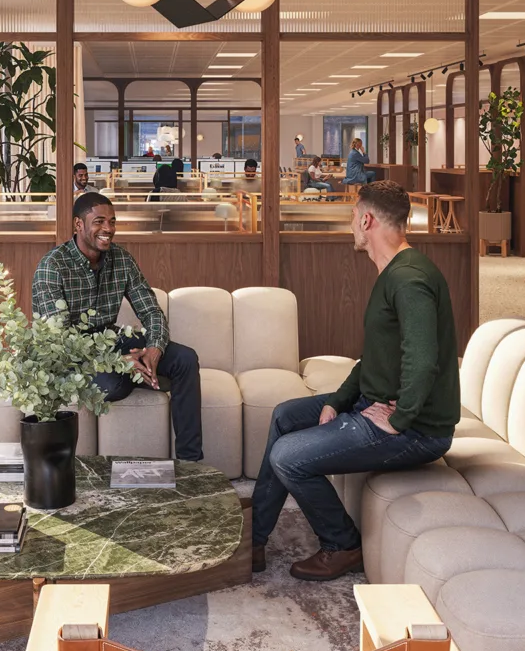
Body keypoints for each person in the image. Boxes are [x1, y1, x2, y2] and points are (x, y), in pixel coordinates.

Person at [250, 180, 459, 581]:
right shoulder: (394, 272)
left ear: (367, 219)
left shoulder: (409, 280)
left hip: (417, 430)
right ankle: (256, 539)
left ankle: (342, 546)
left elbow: (423, 358)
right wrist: (339, 399)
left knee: (288, 457)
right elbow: (377, 357)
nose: (351, 227)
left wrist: (400, 420)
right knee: (285, 415)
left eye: (351, 218)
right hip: (375, 402)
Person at [32, 191, 203, 462]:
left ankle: (190, 463)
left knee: (185, 358)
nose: (108, 229)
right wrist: (118, 362)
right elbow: (59, 341)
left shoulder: (121, 259)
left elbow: (151, 311)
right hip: (72, 356)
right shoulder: (52, 266)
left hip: (110, 340)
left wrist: (154, 348)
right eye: (99, 221)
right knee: (113, 385)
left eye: (112, 221)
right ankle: (144, 375)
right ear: (79, 225)